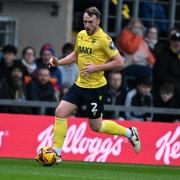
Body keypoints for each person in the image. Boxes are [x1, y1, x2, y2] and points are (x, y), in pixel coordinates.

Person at [36, 7, 141, 164]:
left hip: (95, 89)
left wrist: (96, 67)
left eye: (90, 22)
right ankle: (57, 154)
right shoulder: (81, 35)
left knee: (96, 126)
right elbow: (76, 56)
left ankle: (129, 132)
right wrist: (59, 62)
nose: (87, 25)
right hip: (80, 85)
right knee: (60, 112)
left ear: (98, 21)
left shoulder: (104, 40)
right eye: (85, 21)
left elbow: (120, 61)